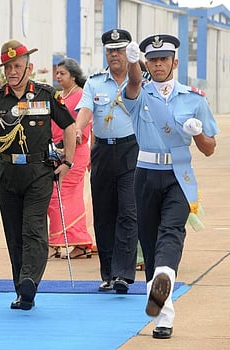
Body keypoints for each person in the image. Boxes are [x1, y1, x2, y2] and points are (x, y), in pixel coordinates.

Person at [124, 34, 218, 339]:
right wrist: (131, 61)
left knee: (171, 232)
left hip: (178, 174)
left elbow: (209, 148)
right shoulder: (140, 93)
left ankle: (164, 290)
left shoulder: (194, 98)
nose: (158, 64)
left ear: (174, 62)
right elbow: (134, 82)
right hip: (146, 174)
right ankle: (162, 307)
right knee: (149, 244)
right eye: (153, 59)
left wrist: (199, 133)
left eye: (164, 59)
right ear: (147, 63)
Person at [0, 40, 76, 310]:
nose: (12, 71)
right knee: (14, 234)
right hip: (7, 172)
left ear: (28, 68)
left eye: (17, 66)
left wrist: (68, 162)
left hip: (38, 172)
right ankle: (21, 289)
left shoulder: (47, 95)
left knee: (33, 229)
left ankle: (30, 281)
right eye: (8, 67)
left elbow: (69, 127)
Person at [74, 29, 139, 294]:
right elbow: (86, 111)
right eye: (110, 50)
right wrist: (78, 129)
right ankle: (109, 273)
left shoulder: (139, 80)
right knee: (103, 213)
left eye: (119, 50)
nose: (114, 55)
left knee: (128, 211)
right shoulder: (95, 82)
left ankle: (124, 274)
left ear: (128, 53)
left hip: (132, 150)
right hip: (102, 151)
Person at [48, 58, 93, 260]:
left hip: (75, 152)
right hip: (55, 151)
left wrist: (69, 146)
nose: (58, 76)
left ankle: (55, 243)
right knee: (63, 197)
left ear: (73, 76)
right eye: (57, 73)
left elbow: (83, 127)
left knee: (58, 195)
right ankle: (81, 243)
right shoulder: (59, 96)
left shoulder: (82, 96)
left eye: (62, 73)